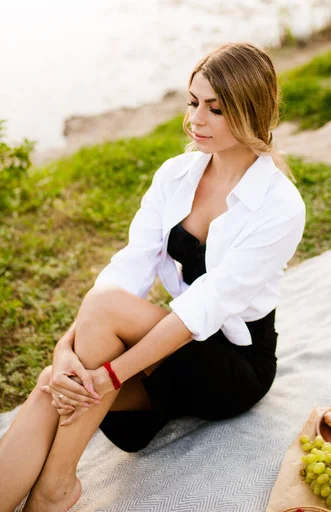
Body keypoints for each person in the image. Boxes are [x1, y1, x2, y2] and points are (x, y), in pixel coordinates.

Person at [0, 42, 306, 511]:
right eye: (193, 102)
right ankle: (50, 490)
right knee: (51, 386)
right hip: (170, 346)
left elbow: (204, 307)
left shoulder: (280, 205)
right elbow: (127, 272)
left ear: (250, 112)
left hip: (233, 364)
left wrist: (110, 374)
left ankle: (55, 488)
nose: (195, 120)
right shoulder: (176, 175)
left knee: (85, 360)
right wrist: (66, 352)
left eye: (215, 109)